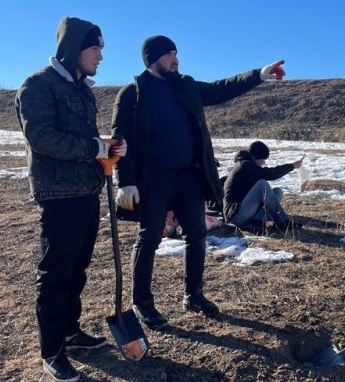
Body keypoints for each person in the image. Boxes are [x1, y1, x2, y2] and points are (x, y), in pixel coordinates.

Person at [111, 35, 286, 330]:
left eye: (176, 53)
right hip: (153, 180)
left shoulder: (186, 86)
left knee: (196, 236)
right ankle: (142, 302)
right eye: (169, 54)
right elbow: (119, 139)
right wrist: (124, 181)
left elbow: (220, 89)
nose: (175, 59)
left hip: (189, 177)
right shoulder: (134, 93)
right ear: (152, 59)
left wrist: (258, 75)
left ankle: (194, 295)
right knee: (149, 238)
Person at [15, 17, 127, 382]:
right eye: (96, 48)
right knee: (55, 273)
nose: (101, 56)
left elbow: (86, 139)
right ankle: (51, 349)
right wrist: (93, 147)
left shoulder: (85, 91)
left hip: (86, 191)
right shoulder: (38, 86)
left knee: (77, 268)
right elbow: (42, 137)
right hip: (57, 193)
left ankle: (69, 330)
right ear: (76, 48)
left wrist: (109, 146)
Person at [223, 141, 303, 233]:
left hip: (243, 209)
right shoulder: (246, 165)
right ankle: (282, 222)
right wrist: (292, 166)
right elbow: (271, 174)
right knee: (262, 185)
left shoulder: (247, 163)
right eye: (263, 159)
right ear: (256, 157)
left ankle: (257, 220)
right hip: (236, 216)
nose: (264, 162)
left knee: (277, 192)